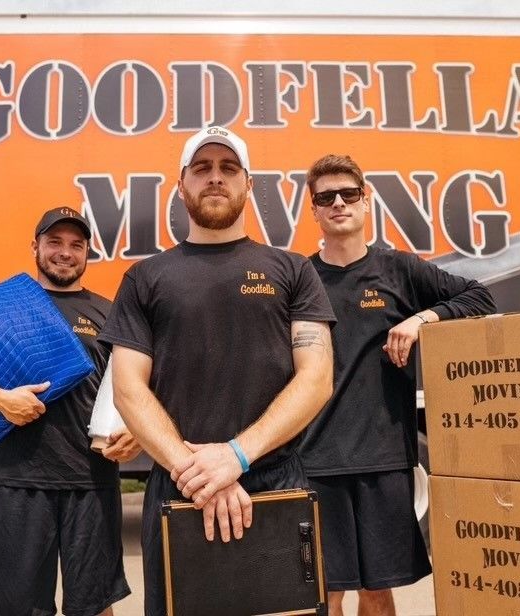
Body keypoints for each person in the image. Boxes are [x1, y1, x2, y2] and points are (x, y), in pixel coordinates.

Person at [98, 126, 336, 616]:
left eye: (229, 168)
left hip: (274, 485)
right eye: (201, 168)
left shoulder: (292, 270)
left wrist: (236, 456)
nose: (215, 178)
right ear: (180, 184)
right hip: (179, 491)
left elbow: (316, 378)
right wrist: (200, 474)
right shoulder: (145, 278)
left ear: (248, 185)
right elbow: (128, 390)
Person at [299, 154, 496, 616]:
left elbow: (479, 296)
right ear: (315, 211)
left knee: (378, 593)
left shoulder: (399, 270)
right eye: (326, 197)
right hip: (315, 459)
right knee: (323, 596)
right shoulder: (300, 278)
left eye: (349, 194)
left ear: (365, 201)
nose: (339, 203)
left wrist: (422, 319)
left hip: (385, 458)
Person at [0, 207, 141, 616]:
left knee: (94, 604)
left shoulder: (109, 314)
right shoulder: (1, 310)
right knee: (16, 607)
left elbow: (132, 390)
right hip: (18, 479)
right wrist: (2, 400)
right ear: (35, 247)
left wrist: (134, 433)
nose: (65, 253)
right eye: (55, 243)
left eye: (76, 245)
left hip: (91, 480)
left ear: (87, 253)